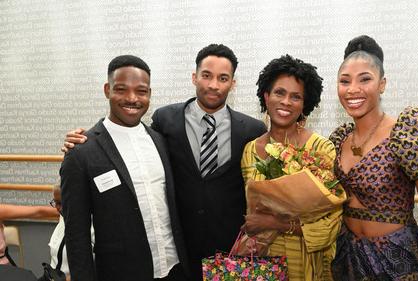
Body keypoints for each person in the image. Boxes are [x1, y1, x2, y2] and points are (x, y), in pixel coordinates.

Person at [62, 45, 266, 280]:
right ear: (194, 77)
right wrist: (77, 144)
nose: (213, 85)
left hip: (221, 254)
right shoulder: (165, 121)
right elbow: (77, 231)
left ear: (233, 82)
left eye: (223, 78)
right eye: (206, 75)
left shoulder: (252, 130)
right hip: (163, 257)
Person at [329, 35, 418, 281]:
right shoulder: (339, 139)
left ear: (382, 83)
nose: (353, 89)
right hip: (347, 261)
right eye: (345, 81)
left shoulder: (409, 131)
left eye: (365, 79)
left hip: (397, 262)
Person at [60, 55, 189, 281]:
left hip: (174, 268)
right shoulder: (82, 152)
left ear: (149, 94)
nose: (132, 98)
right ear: (107, 89)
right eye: (121, 89)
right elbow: (76, 235)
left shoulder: (160, 140)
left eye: (141, 91)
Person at [240, 54, 343, 281]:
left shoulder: (321, 148)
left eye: (295, 96)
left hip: (306, 263)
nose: (286, 102)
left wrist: (276, 223)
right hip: (261, 264)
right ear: (266, 96)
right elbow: (253, 211)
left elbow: (331, 222)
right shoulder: (249, 151)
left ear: (305, 104)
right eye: (279, 93)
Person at [46, 183, 94, 280]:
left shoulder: (94, 226)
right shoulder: (65, 215)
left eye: (61, 203)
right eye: (55, 203)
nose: (58, 208)